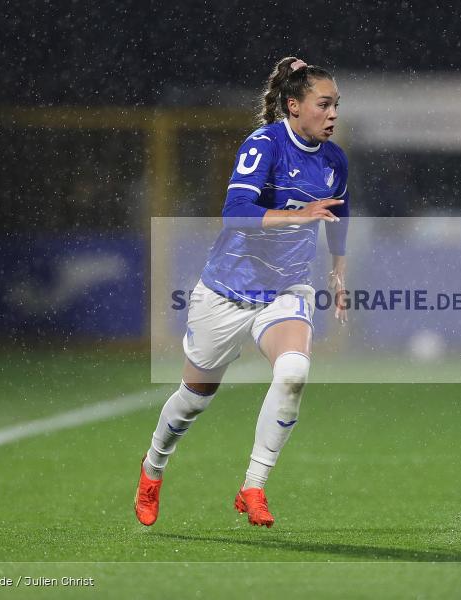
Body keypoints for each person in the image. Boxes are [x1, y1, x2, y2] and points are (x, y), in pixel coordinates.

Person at [135, 57, 350, 528]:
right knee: (194, 397)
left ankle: (253, 486)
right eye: (324, 104)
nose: (333, 114)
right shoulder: (264, 144)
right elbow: (235, 212)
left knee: (293, 371)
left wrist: (338, 272)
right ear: (293, 106)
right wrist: (300, 214)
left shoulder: (335, 161)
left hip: (285, 290)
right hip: (226, 291)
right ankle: (152, 469)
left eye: (336, 105)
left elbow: (338, 217)